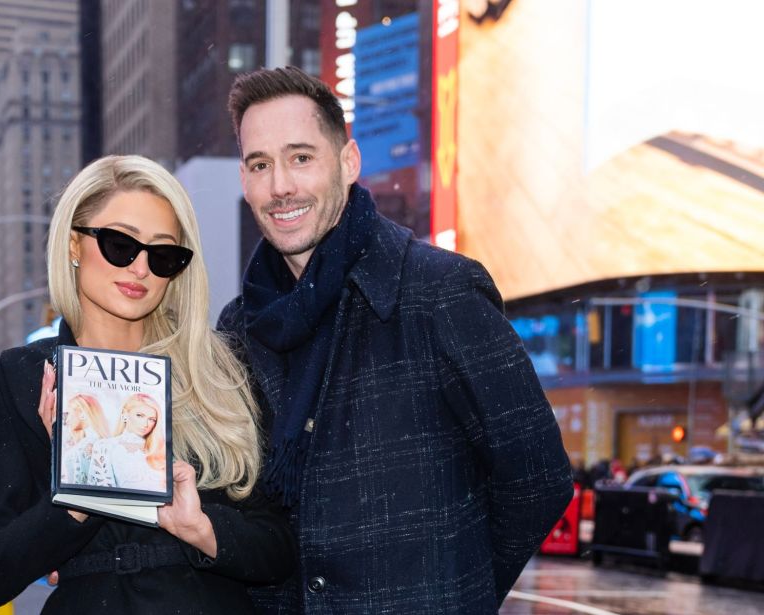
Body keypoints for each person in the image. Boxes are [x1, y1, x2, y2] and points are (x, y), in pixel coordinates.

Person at [217, 66, 574, 614]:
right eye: (259, 164)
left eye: (301, 157)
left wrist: (455, 597)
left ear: (349, 162)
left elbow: (540, 478)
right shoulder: (238, 329)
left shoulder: (440, 292)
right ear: (244, 181)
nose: (280, 184)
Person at [0, 155, 296, 613]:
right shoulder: (17, 380)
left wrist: (201, 528)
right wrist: (76, 495)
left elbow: (279, 548)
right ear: (75, 244)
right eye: (120, 244)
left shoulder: (222, 370)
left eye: (162, 255)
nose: (140, 269)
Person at [89, 393, 167, 491]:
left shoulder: (160, 448)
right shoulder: (105, 446)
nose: (145, 424)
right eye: (139, 415)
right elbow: (100, 490)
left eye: (152, 419)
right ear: (125, 415)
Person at [60, 393, 109, 485]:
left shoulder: (86, 445)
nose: (67, 420)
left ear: (82, 413)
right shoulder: (101, 442)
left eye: (69, 413)